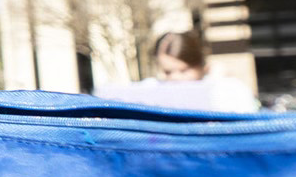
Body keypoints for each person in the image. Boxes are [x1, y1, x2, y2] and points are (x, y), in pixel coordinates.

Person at [92, 28, 259, 113]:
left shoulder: (227, 90)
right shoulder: (153, 88)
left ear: (201, 65)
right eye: (167, 72)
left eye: (183, 70)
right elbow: (106, 94)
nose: (175, 78)